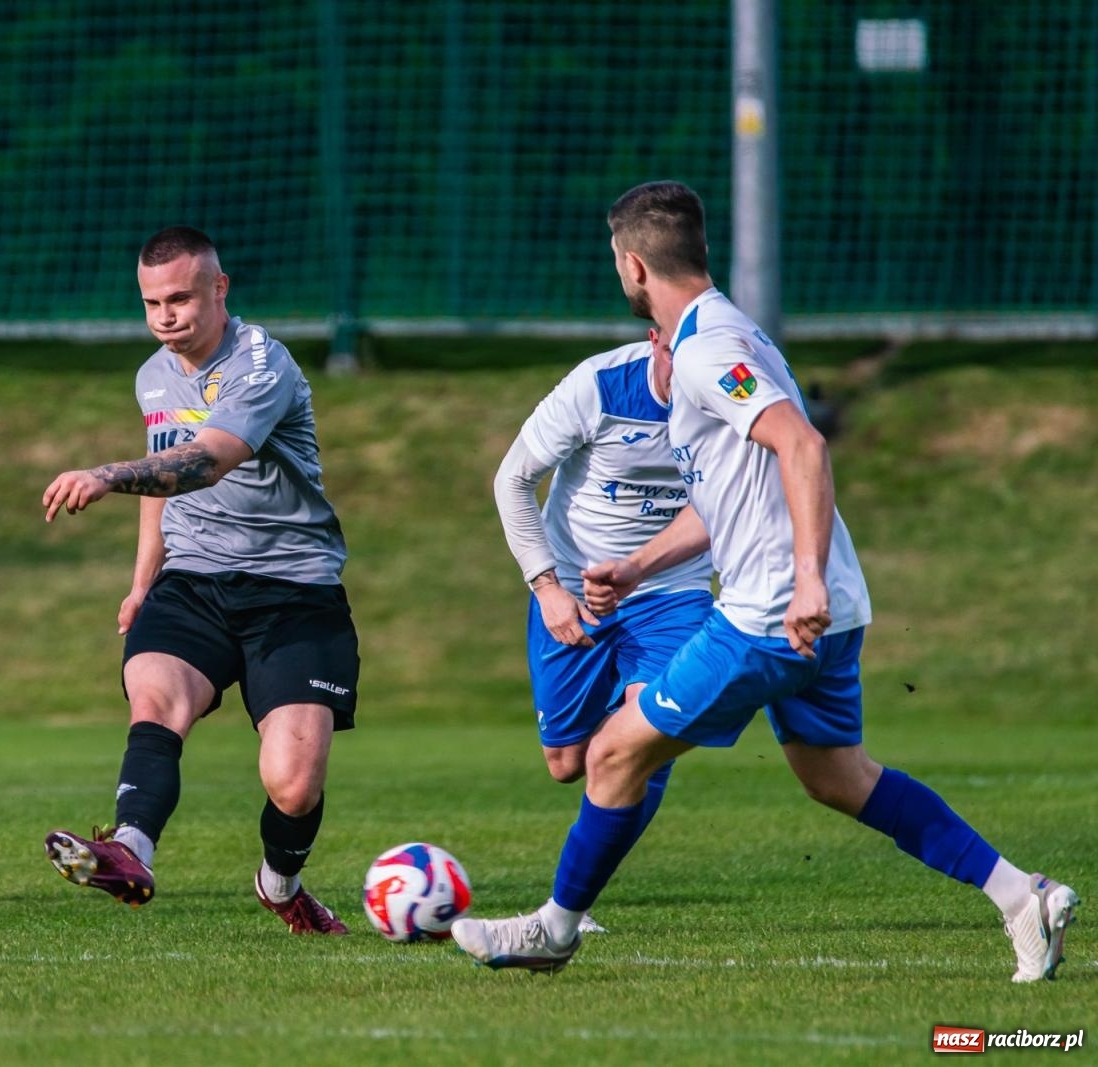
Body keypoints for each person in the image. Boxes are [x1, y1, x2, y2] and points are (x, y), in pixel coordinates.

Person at [452, 181, 1078, 981]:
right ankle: (1022, 894)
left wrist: (805, 581)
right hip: (827, 607)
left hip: (772, 613)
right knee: (836, 775)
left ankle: (555, 928)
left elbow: (804, 448)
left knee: (612, 753)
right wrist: (641, 564)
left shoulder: (710, 352)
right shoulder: (728, 335)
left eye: (617, 261)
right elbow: (731, 493)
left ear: (634, 266)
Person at [41, 225, 358, 934]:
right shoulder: (155, 373)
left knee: (294, 782)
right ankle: (129, 850)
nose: (166, 316)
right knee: (155, 700)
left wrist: (103, 474)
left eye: (181, 298)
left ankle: (281, 884)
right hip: (193, 581)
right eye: (152, 303)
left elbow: (204, 460)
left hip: (292, 589)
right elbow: (166, 477)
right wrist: (141, 580)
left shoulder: (261, 365)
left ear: (220, 289)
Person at [491, 325, 713, 935]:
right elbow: (511, 479)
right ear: (654, 341)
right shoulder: (599, 385)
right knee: (566, 762)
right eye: (676, 352)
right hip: (572, 589)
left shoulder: (729, 396)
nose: (690, 368)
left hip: (672, 591)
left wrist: (642, 569)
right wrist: (548, 590)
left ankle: (572, 905)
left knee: (647, 733)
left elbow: (731, 501)